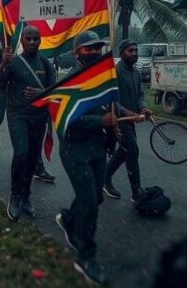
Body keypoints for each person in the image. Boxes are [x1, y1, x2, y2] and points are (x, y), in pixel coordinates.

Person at [55, 30, 116, 285]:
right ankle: (86, 257)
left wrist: (133, 112)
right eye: (87, 49)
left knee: (96, 197)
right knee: (89, 202)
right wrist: (100, 121)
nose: (93, 53)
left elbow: (113, 103)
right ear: (76, 53)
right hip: (74, 148)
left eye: (97, 48)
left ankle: (69, 219)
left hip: (98, 147)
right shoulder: (69, 83)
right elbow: (65, 122)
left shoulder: (103, 79)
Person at [0, 26, 57, 221]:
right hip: (18, 116)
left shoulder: (45, 64)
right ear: (22, 41)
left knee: (32, 158)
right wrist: (2, 65)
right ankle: (15, 196)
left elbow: (55, 90)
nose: (32, 42)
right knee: (21, 153)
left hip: (39, 117)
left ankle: (26, 195)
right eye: (28, 39)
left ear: (40, 40)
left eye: (35, 39)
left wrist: (41, 93)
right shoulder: (13, 62)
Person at [104, 40, 152, 202]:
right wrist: (126, 112)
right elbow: (112, 99)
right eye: (130, 50)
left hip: (131, 120)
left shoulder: (136, 73)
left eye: (136, 50)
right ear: (122, 53)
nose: (134, 53)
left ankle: (104, 177)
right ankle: (136, 192)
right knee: (132, 150)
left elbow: (140, 95)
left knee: (123, 152)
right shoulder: (115, 72)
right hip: (119, 121)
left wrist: (143, 108)